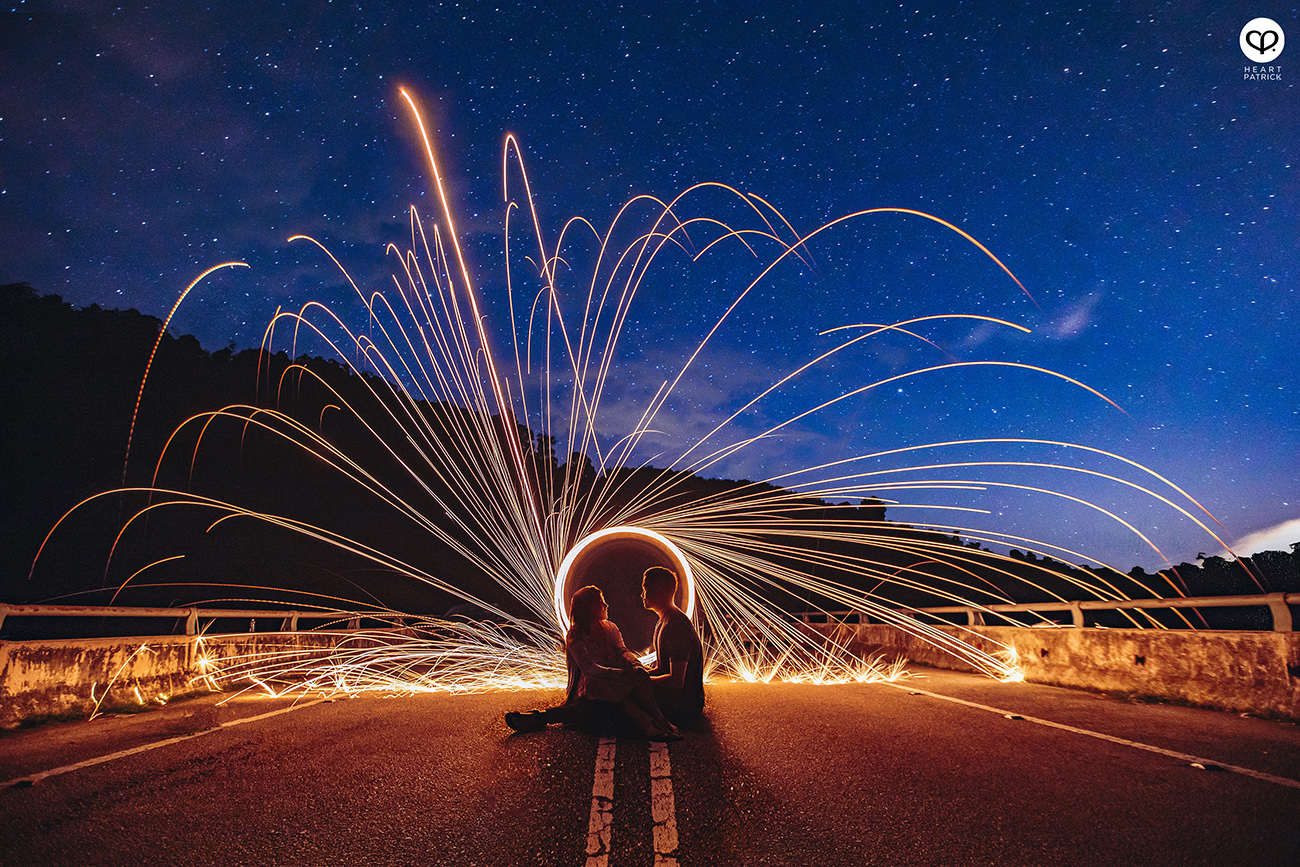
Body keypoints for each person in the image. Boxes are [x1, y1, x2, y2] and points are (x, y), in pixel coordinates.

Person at [506, 585, 680, 739]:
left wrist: (636, 665)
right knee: (603, 684)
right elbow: (590, 670)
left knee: (637, 676)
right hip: (589, 687)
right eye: (601, 602)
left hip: (612, 682)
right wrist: (622, 675)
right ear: (589, 608)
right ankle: (649, 724)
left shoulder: (610, 628)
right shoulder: (575, 635)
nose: (606, 605)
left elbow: (622, 651)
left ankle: (659, 720)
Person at [640, 566, 705, 723]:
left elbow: (676, 682)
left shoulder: (676, 626)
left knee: (621, 699)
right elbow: (663, 670)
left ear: (660, 590)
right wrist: (640, 673)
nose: (642, 594)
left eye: (646, 588)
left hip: (684, 706)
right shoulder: (664, 621)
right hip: (679, 701)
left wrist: (640, 681)